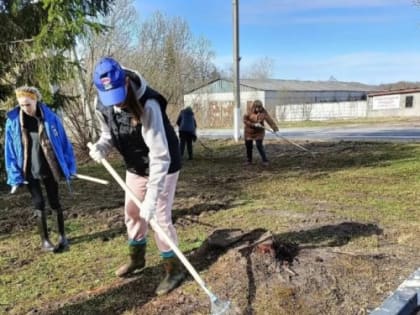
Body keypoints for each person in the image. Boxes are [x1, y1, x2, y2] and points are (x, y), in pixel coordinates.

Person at [89, 57, 185, 296]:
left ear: (126, 83)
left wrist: (152, 196)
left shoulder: (148, 104)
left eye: (119, 95)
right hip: (134, 165)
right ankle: (137, 258)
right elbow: (107, 134)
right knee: (132, 212)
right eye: (110, 98)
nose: (117, 103)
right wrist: (101, 147)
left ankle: (174, 269)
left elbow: (160, 156)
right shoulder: (100, 103)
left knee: (159, 218)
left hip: (163, 164)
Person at [4, 86, 76, 253]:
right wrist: (14, 173)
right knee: (38, 202)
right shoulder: (13, 122)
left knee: (54, 200)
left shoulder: (51, 118)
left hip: (49, 166)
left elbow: (65, 144)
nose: (25, 108)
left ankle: (62, 237)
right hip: (28, 168)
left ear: (36, 100)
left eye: (28, 104)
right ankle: (45, 240)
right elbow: (10, 149)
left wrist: (69, 166)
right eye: (21, 105)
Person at [243, 99, 279, 165]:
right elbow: (245, 120)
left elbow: (269, 119)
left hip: (259, 131)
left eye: (260, 107)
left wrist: (275, 128)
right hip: (249, 131)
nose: (259, 109)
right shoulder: (248, 111)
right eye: (257, 108)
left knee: (259, 145)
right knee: (248, 146)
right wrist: (253, 124)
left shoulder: (263, 111)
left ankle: (265, 160)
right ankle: (249, 160)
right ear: (254, 107)